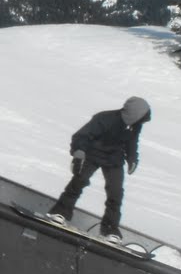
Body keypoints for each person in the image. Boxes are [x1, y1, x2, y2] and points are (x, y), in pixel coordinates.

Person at [46, 96, 151, 241]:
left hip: (114, 159)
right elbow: (82, 136)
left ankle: (109, 229)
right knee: (79, 181)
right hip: (93, 153)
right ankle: (60, 211)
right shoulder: (105, 118)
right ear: (134, 114)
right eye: (142, 118)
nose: (142, 122)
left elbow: (132, 143)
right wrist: (79, 153)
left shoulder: (135, 125)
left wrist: (132, 158)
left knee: (116, 193)